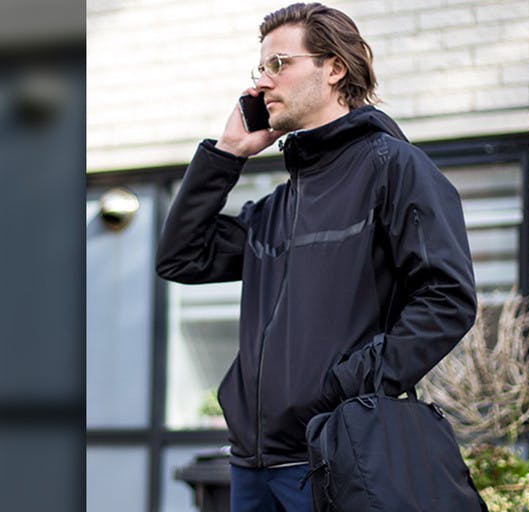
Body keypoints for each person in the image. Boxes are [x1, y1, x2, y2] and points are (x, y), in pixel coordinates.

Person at [156, 3, 477, 511]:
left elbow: (447, 299)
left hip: (333, 455)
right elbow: (181, 257)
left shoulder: (393, 168)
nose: (262, 82)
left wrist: (343, 389)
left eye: (279, 63)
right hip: (251, 466)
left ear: (334, 69)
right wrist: (227, 153)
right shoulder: (276, 208)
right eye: (260, 68)